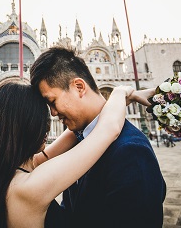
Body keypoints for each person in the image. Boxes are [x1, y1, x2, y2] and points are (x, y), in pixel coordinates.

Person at [0, 81, 146, 228]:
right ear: (26, 125)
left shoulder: (14, 171)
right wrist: (120, 92)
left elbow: (81, 126)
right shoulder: (29, 188)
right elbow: (108, 129)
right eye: (43, 119)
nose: (49, 125)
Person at [30, 46, 166, 227]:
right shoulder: (78, 137)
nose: (53, 113)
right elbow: (74, 212)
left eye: (52, 102)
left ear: (79, 87)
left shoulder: (131, 152)